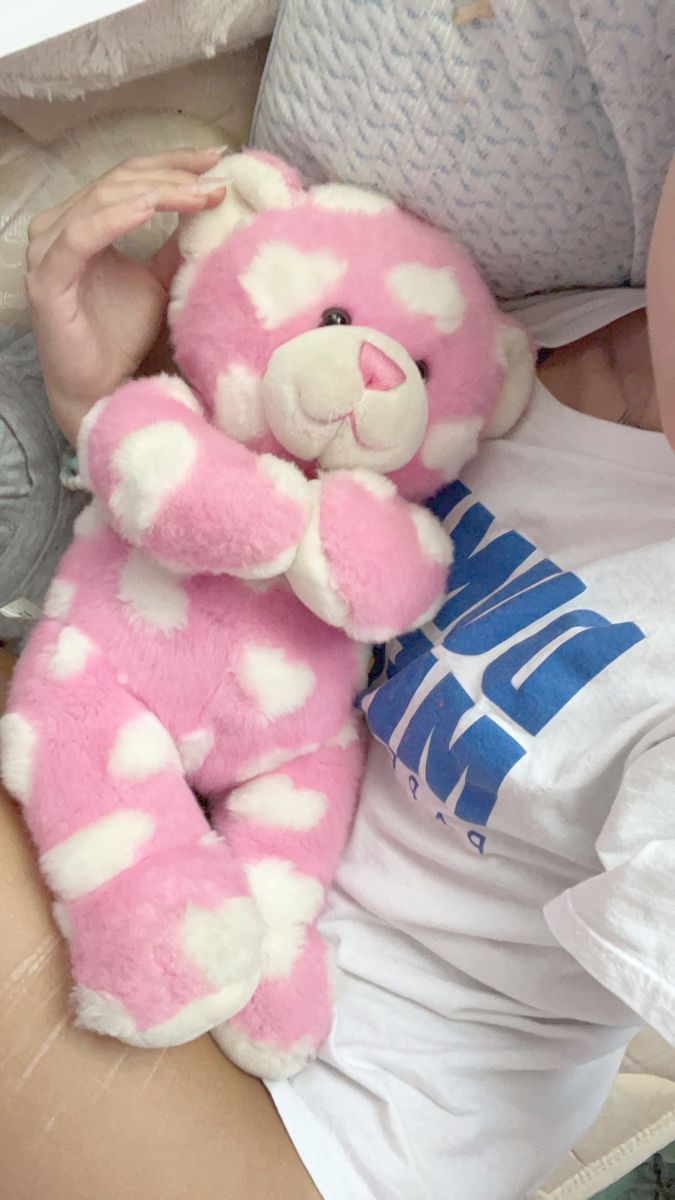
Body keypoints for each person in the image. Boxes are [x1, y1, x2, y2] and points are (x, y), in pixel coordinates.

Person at [0, 148, 673, 1200]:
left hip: (330, 1142)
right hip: (197, 852)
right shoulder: (493, 334)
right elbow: (237, 543)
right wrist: (107, 394)